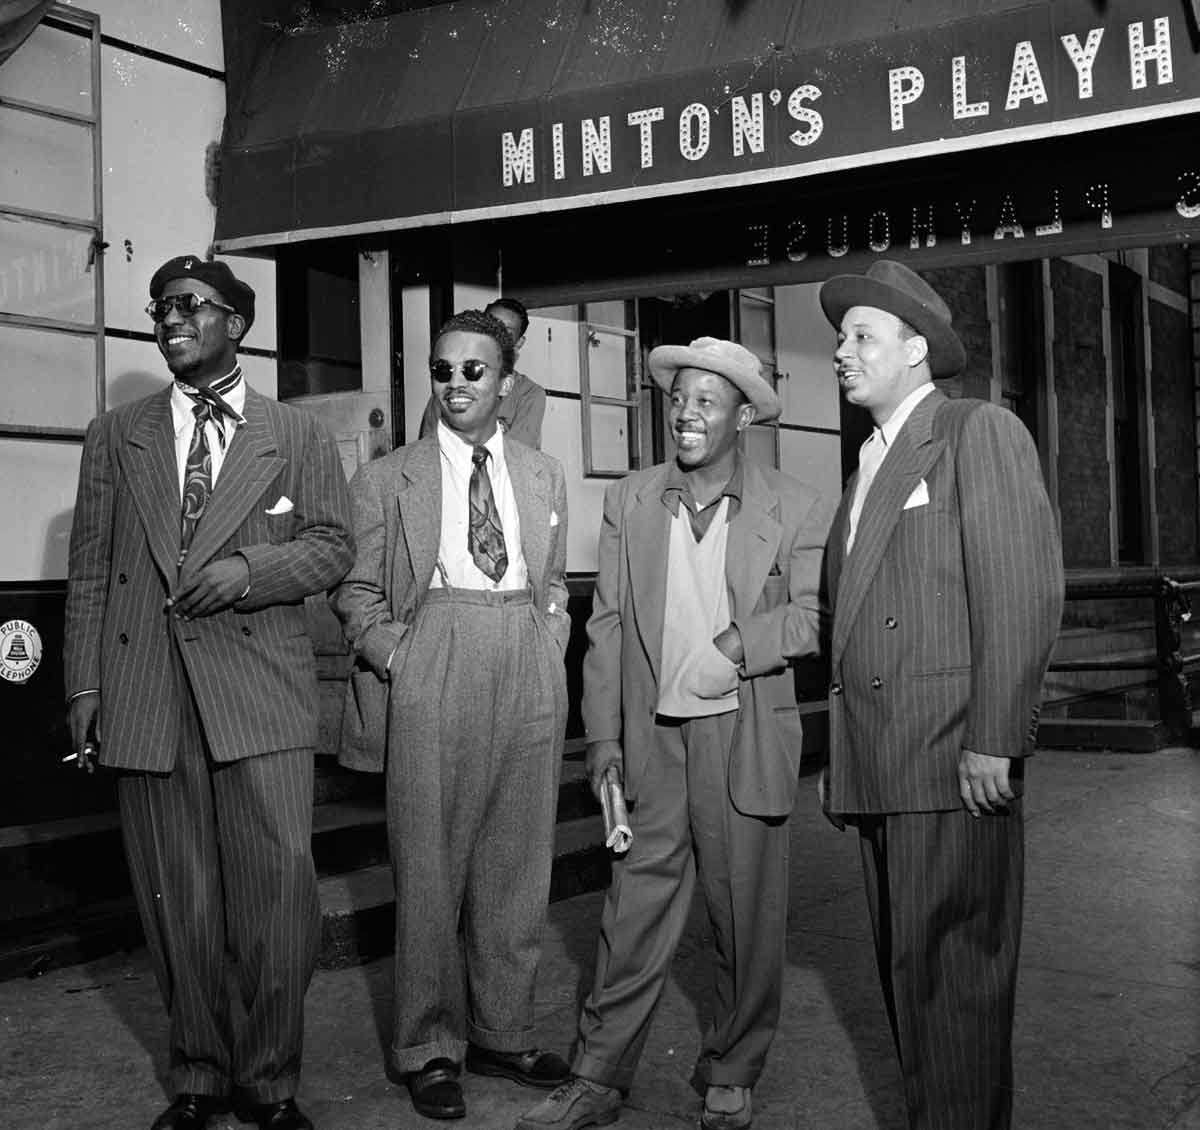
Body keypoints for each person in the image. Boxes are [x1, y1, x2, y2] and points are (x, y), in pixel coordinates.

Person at [63, 256, 355, 1130]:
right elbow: (87, 571)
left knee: (276, 893)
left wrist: (249, 571)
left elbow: (335, 547)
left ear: (237, 322)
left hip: (258, 691)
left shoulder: (295, 434)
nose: (170, 319)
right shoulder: (117, 435)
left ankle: (268, 1081)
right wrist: (83, 683)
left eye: (190, 305)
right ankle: (196, 1073)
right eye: (161, 307)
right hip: (147, 691)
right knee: (174, 895)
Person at [518, 338, 829, 1130]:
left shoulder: (794, 504)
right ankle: (598, 1074)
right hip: (653, 742)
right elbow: (610, 627)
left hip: (744, 735)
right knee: (631, 913)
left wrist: (738, 644)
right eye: (679, 397)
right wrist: (604, 742)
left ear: (744, 417)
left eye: (706, 402)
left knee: (744, 916)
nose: (685, 414)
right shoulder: (631, 501)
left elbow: (814, 615)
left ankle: (732, 1068)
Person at [818, 260, 1064, 1130]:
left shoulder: (974, 432)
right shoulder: (866, 468)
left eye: (862, 337)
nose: (841, 353)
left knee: (952, 998)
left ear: (915, 351)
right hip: (888, 768)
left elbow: (1021, 589)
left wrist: (995, 735)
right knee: (912, 994)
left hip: (954, 765)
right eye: (841, 339)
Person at [331, 309, 572, 1120]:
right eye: (442, 370)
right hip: (436, 648)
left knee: (519, 859)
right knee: (430, 867)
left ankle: (504, 1030)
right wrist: (398, 654)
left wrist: (552, 634)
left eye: (475, 370)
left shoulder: (542, 474)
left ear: (506, 384)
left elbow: (555, 579)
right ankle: (429, 1046)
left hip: (525, 654)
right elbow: (356, 591)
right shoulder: (386, 478)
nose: (456, 383)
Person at [419, 297, 547, 449]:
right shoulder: (450, 385)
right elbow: (427, 450)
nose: (494, 335)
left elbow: (517, 457)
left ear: (519, 343)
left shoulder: (529, 393)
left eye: (506, 331)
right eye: (488, 325)